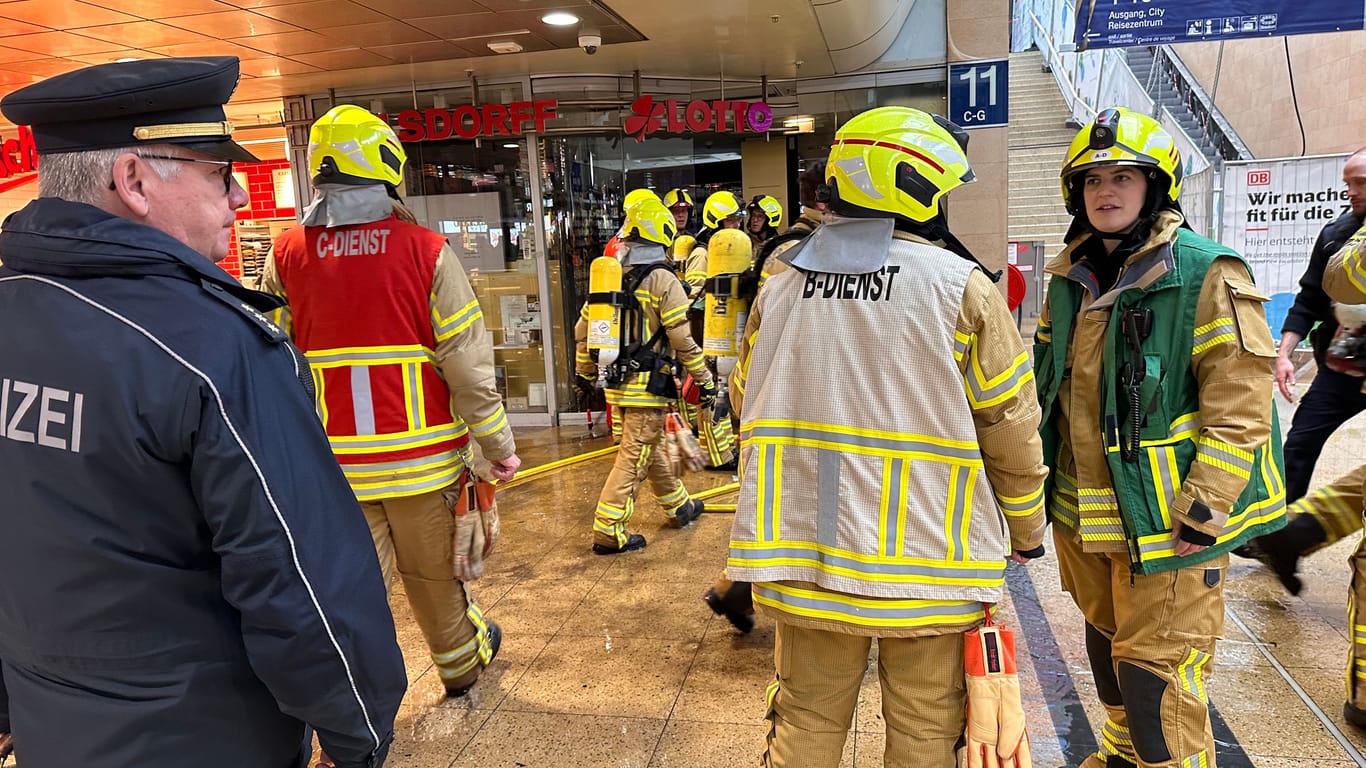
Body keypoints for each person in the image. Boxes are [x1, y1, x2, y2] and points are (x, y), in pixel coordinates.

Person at [0, 57, 406, 768]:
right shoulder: (212, 348)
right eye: (217, 173)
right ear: (133, 182)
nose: (241, 196)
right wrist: (359, 731)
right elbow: (299, 580)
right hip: (202, 735)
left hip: (51, 728)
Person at [725, 106, 1048, 768]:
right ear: (917, 187)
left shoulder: (782, 277)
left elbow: (744, 395)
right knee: (926, 734)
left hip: (805, 553)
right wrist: (1025, 530)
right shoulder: (960, 287)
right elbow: (1010, 426)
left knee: (805, 724)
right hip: (932, 568)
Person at [1036, 107, 1285, 768]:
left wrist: (1203, 511)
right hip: (1087, 523)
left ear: (1155, 187)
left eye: (1123, 177)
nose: (1106, 191)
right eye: (1092, 181)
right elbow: (1045, 394)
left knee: (1156, 684)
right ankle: (1120, 759)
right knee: (1109, 653)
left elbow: (1241, 405)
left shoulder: (1208, 272)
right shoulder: (1070, 278)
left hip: (1172, 529)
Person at [261, 104, 520, 699]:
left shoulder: (286, 255)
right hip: (422, 465)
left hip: (335, 472)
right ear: (387, 164)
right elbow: (469, 368)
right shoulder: (425, 251)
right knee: (434, 579)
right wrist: (498, 446)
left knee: (349, 592)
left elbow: (269, 357)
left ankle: (355, 704)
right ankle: (458, 670)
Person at [1236, 150, 1366, 571]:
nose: (1352, 192)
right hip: (1341, 368)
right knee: (1300, 442)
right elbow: (1309, 299)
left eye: (1361, 182)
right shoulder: (1336, 236)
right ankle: (1272, 534)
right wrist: (1285, 354)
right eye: (1348, 183)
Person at [575, 197, 712, 554]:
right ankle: (609, 529)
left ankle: (678, 506)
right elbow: (681, 337)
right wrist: (704, 380)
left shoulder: (610, 275)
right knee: (634, 456)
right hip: (648, 387)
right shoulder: (663, 279)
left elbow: (582, 329)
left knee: (644, 450)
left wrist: (585, 371)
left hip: (616, 384)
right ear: (663, 233)